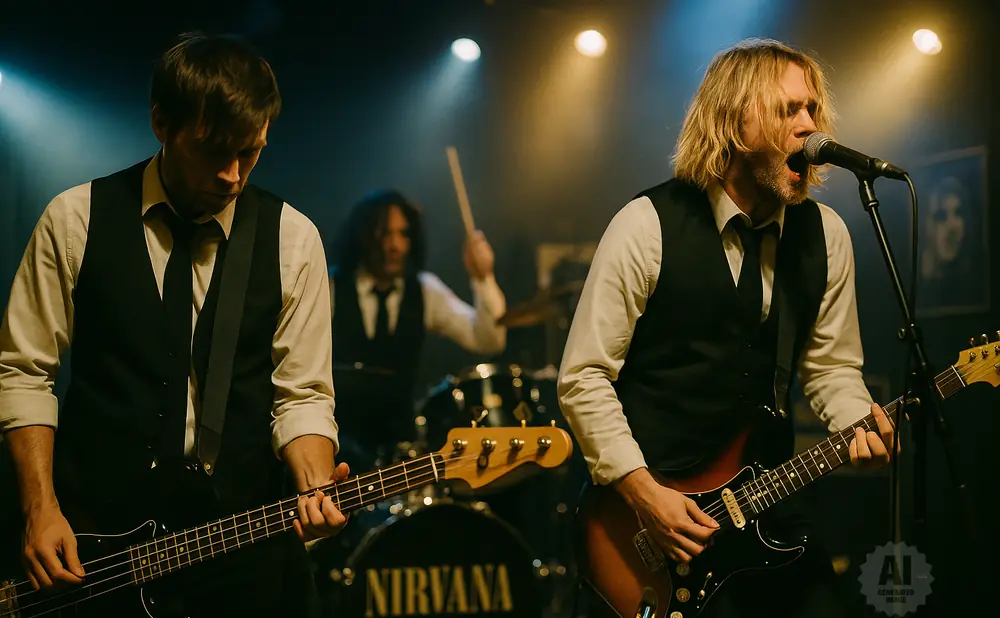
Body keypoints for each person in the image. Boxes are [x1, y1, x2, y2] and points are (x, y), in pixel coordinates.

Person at [0, 33, 347, 617]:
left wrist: (314, 484)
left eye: (252, 151)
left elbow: (303, 394)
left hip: (241, 552)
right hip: (98, 548)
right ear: (161, 122)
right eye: (215, 150)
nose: (234, 175)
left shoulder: (294, 238)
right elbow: (23, 373)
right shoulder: (74, 219)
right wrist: (41, 508)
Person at [557, 38, 896, 618]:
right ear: (736, 123)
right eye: (789, 110)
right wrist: (644, 495)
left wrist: (856, 421)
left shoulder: (826, 235)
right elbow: (584, 377)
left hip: (766, 503)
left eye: (812, 109)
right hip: (652, 514)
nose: (810, 126)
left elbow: (832, 367)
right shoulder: (647, 225)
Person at [327, 189, 506, 469]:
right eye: (384, 234)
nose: (395, 245)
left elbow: (488, 341)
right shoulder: (331, 288)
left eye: (404, 234)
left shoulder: (425, 289)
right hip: (338, 446)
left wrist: (483, 277)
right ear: (363, 236)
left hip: (399, 451)